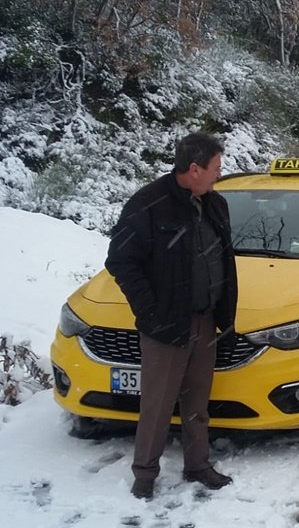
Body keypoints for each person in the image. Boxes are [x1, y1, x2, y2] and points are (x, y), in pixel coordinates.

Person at [105, 131, 238, 500]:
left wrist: (224, 313)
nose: (219, 174)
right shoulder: (149, 204)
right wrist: (151, 310)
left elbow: (222, 259)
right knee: (157, 404)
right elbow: (120, 261)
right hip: (165, 325)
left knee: (197, 403)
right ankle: (145, 473)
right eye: (216, 167)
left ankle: (198, 465)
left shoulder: (215, 204)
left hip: (205, 320)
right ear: (194, 169)